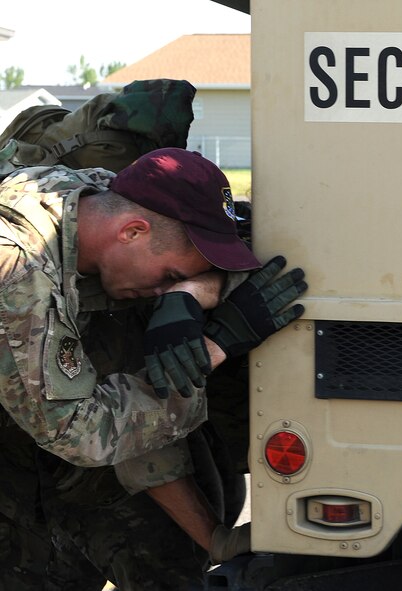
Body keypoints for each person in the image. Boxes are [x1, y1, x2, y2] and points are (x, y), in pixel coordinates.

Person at [0, 147, 307, 589]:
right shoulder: (17, 269)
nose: (161, 290)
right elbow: (80, 431)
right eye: (170, 276)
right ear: (132, 232)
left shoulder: (94, 198)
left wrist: (189, 293)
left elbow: (245, 254)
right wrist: (214, 348)